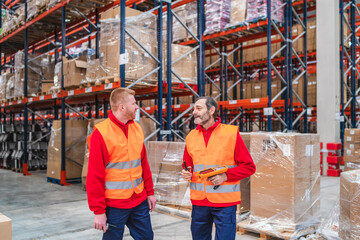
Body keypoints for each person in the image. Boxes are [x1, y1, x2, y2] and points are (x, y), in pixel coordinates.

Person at [181, 96, 256, 240]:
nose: (194, 112)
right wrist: (186, 172)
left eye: (199, 108)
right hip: (199, 202)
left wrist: (226, 176)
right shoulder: (191, 136)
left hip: (224, 202)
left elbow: (249, 167)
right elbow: (187, 163)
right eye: (193, 109)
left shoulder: (230, 133)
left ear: (211, 110)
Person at [86, 88, 156, 240]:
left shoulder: (136, 128)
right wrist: (98, 211)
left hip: (139, 200)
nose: (137, 107)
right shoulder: (101, 133)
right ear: (122, 107)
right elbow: (94, 175)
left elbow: (143, 163)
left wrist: (150, 192)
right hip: (114, 205)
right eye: (134, 104)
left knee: (147, 237)